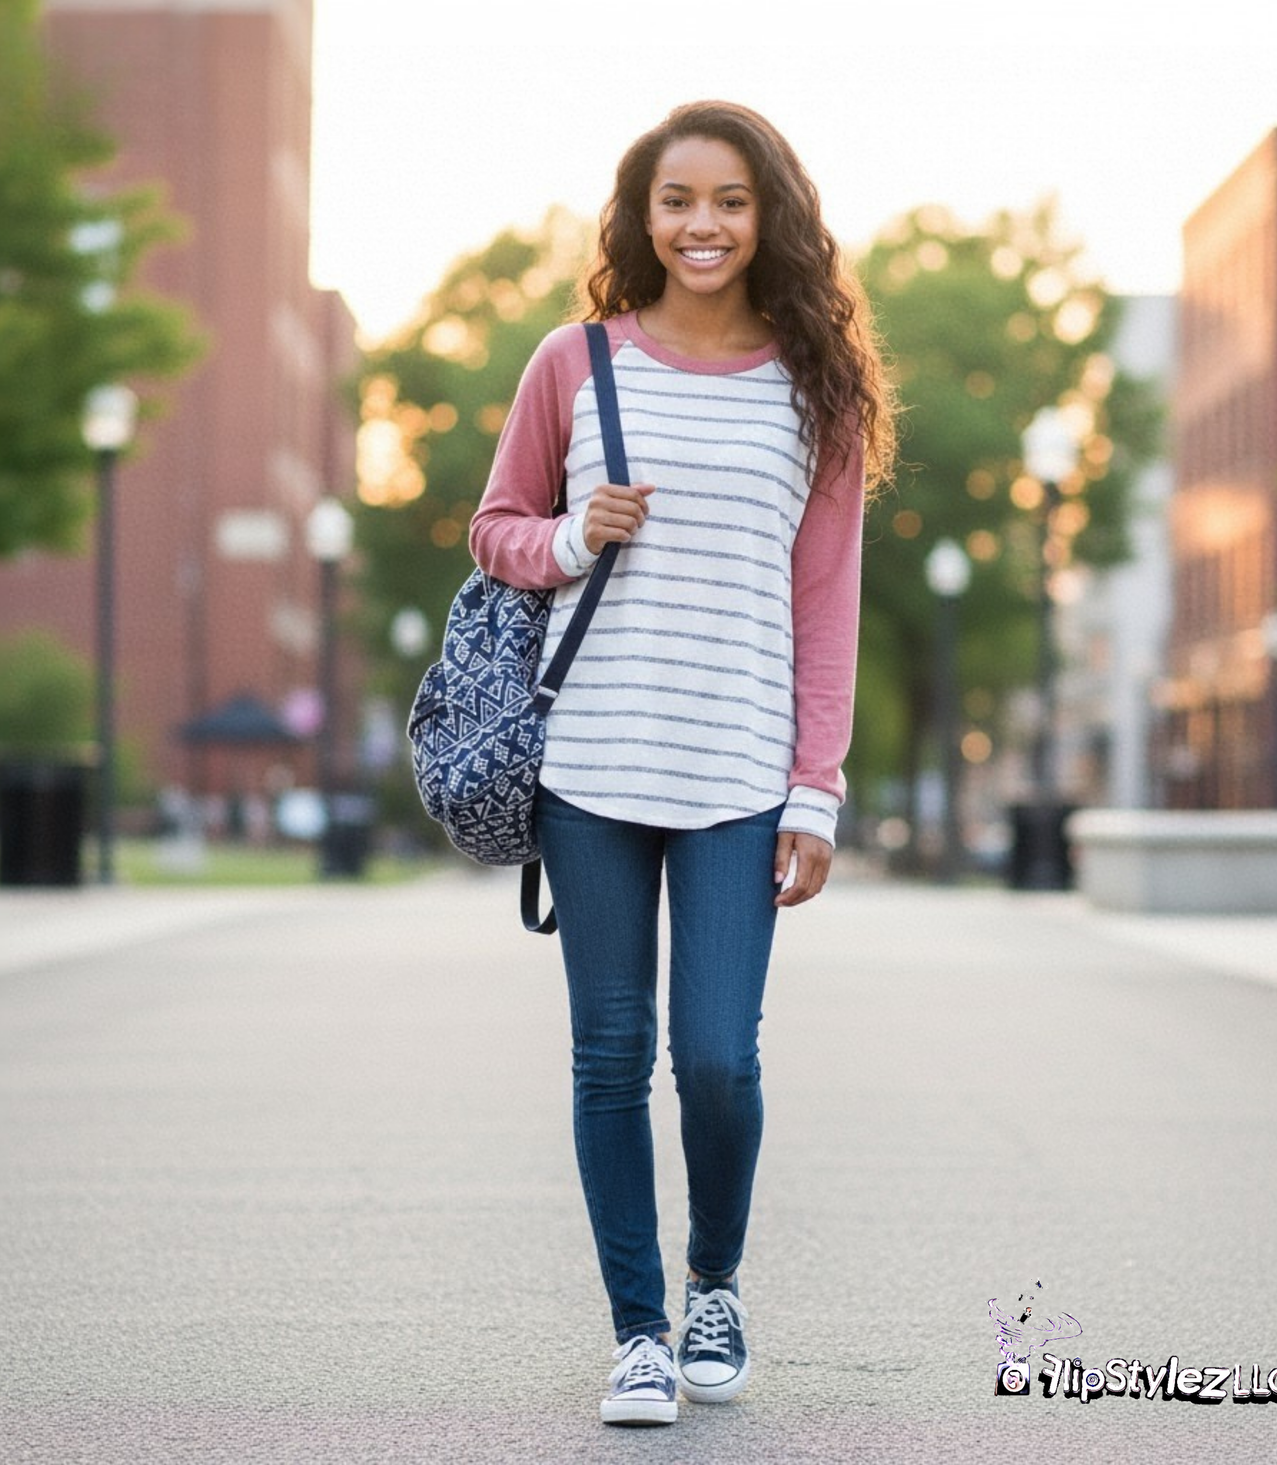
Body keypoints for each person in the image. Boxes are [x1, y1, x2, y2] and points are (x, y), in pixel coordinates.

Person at [468, 100, 896, 1426]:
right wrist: (569, 540)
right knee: (611, 1054)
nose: (700, 225)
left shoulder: (814, 392)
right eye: (675, 201)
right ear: (639, 218)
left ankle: (715, 1280)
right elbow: (494, 531)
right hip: (590, 766)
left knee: (716, 1058)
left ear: (769, 216)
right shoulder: (574, 362)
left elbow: (825, 611)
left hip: (737, 777)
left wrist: (815, 790)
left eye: (727, 201)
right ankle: (640, 1330)